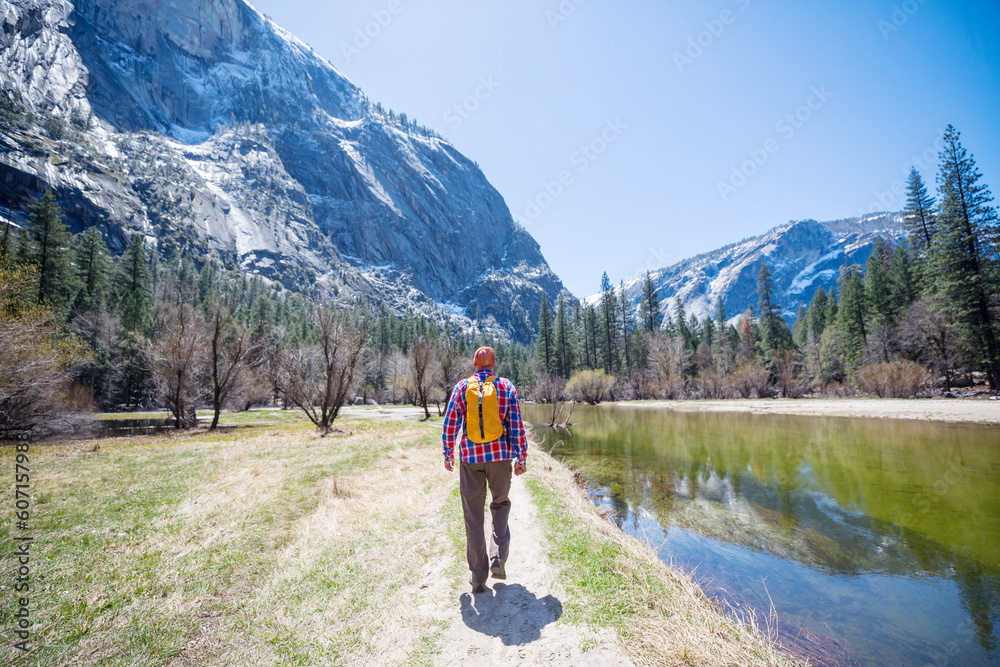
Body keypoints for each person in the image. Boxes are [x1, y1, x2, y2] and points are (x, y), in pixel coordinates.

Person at [442, 346, 527, 594]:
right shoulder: (506, 387)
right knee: (500, 503)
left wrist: (448, 454)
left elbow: (450, 423)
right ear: (494, 364)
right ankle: (498, 556)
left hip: (471, 459)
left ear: (474, 364)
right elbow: (516, 425)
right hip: (500, 458)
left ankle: (478, 577)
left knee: (473, 516)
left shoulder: (461, 387)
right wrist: (521, 457)